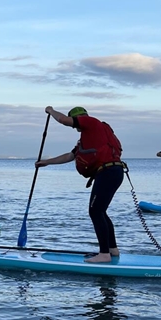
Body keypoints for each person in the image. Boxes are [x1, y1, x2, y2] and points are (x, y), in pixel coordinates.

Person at [36, 106, 125, 263]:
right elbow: (70, 156)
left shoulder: (90, 122)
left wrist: (50, 110)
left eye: (75, 123)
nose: (75, 127)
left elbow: (63, 120)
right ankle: (112, 250)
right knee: (100, 211)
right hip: (112, 172)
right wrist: (46, 162)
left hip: (108, 172)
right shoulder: (90, 135)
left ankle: (104, 254)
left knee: (95, 212)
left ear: (78, 118)